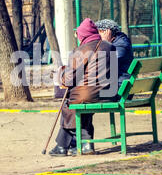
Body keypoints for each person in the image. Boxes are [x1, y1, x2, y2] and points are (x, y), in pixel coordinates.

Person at [49, 18, 117, 157]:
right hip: (109, 94)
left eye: (79, 36)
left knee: (71, 105)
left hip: (89, 96)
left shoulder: (82, 50)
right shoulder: (109, 46)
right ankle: (86, 145)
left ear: (83, 35)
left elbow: (69, 80)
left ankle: (62, 146)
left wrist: (60, 75)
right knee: (83, 105)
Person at [95, 19, 134, 87]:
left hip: (120, 85)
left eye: (99, 32)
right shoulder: (119, 42)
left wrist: (105, 43)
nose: (97, 36)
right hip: (120, 83)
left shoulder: (121, 45)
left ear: (107, 32)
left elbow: (107, 63)